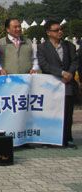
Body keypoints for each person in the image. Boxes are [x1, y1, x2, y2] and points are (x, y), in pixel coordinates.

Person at [37, 20, 79, 148]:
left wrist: (70, 73)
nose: (60, 32)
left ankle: (67, 138)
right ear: (48, 32)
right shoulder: (42, 47)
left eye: (60, 29)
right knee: (50, 112)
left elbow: (74, 62)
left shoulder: (69, 46)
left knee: (67, 113)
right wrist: (61, 73)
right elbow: (44, 65)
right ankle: (49, 139)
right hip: (51, 84)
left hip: (67, 84)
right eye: (56, 30)